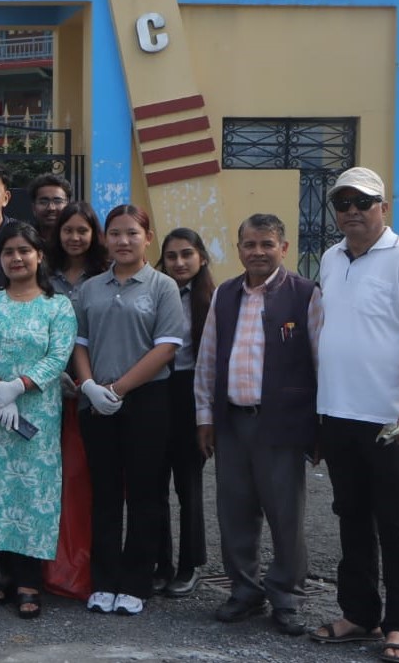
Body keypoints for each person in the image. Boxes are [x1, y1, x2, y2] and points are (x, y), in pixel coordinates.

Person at [310, 167, 399, 663]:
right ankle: (360, 613)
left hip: (388, 418)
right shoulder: (330, 258)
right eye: (342, 203)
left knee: (396, 521)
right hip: (338, 412)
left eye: (362, 202)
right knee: (351, 518)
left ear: (383, 206)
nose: (352, 212)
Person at [194, 213, 322, 638]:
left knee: (285, 515)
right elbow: (208, 359)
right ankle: (245, 591)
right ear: (239, 250)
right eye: (249, 244)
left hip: (282, 424)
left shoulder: (304, 294)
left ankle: (286, 596)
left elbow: (320, 361)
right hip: (232, 422)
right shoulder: (225, 294)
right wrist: (205, 418)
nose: (258, 252)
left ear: (283, 248)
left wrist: (318, 425)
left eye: (267, 244)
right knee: (234, 511)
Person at [68, 204, 186, 615]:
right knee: (103, 493)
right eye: (115, 233)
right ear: (105, 238)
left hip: (146, 401)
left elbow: (166, 347)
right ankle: (104, 580)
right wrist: (89, 386)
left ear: (147, 238)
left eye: (132, 233)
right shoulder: (91, 288)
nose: (123, 240)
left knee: (144, 492)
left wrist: (119, 389)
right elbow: (79, 342)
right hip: (96, 401)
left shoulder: (162, 286)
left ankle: (136, 582)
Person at [0, 221, 76, 619]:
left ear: (39, 255)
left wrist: (19, 386)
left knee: (30, 493)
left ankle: (30, 579)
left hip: (36, 413)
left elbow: (58, 355)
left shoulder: (57, 306)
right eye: (9, 252)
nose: (16, 258)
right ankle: (7, 572)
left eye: (24, 251)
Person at [153, 228, 213, 598]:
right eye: (171, 256)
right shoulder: (155, 292)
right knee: (153, 481)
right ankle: (160, 562)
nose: (179, 262)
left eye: (186, 254)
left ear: (201, 257)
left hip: (193, 392)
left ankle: (190, 565)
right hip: (156, 389)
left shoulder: (214, 299)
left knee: (188, 483)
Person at [47, 202, 107, 297]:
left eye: (82, 231)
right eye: (68, 231)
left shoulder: (106, 273)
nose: (75, 238)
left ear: (93, 234)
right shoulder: (45, 272)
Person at [28, 173, 73, 247]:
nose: (51, 208)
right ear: (33, 207)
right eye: (43, 202)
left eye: (57, 201)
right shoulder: (24, 240)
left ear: (68, 205)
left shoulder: (76, 241)